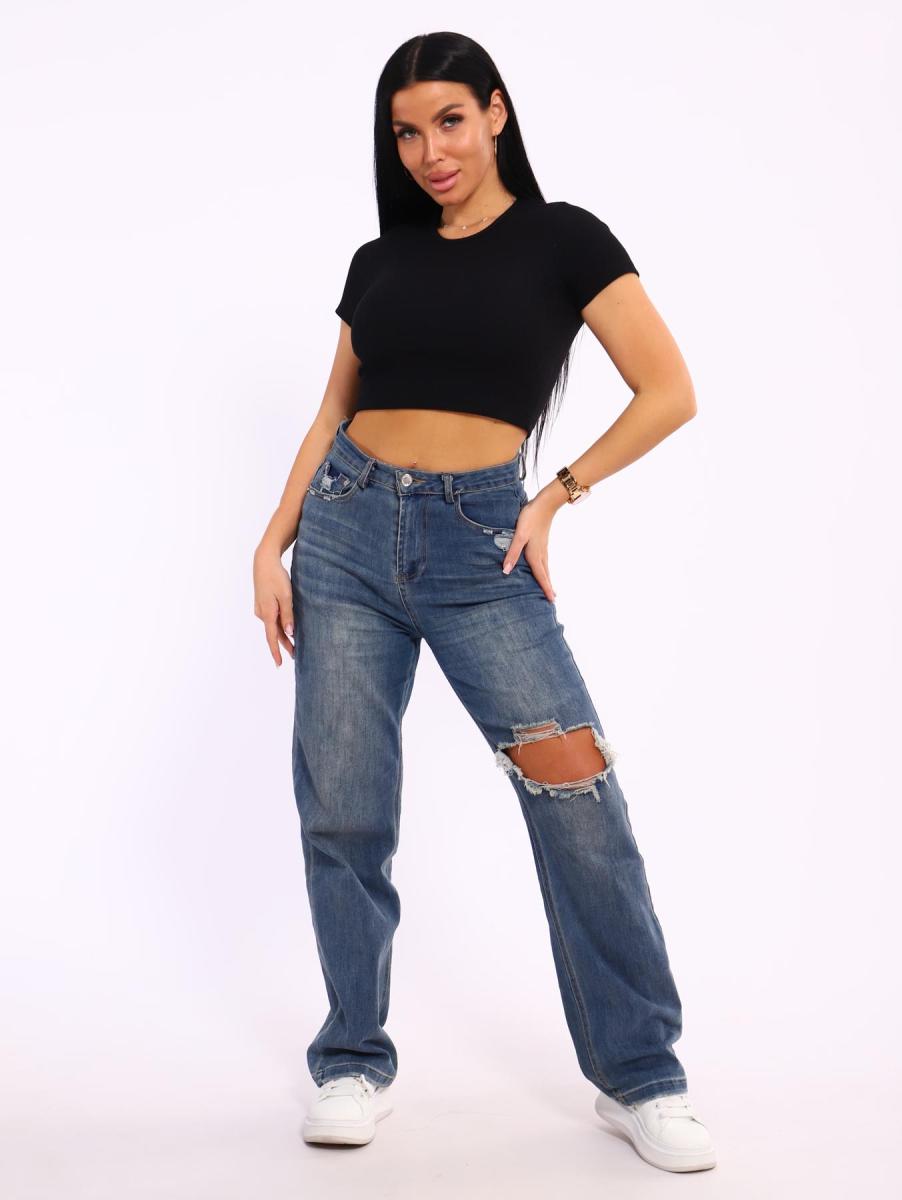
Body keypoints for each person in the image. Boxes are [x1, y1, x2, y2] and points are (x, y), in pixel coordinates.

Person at [252, 32, 716, 1173]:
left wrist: (556, 495)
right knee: (344, 810)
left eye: (449, 121)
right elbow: (331, 415)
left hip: (480, 547)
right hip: (345, 535)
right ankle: (351, 1059)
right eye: (407, 132)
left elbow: (669, 390)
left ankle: (641, 1076)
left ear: (496, 113)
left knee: (578, 799)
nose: (429, 152)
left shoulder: (565, 241)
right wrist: (272, 542)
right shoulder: (381, 259)